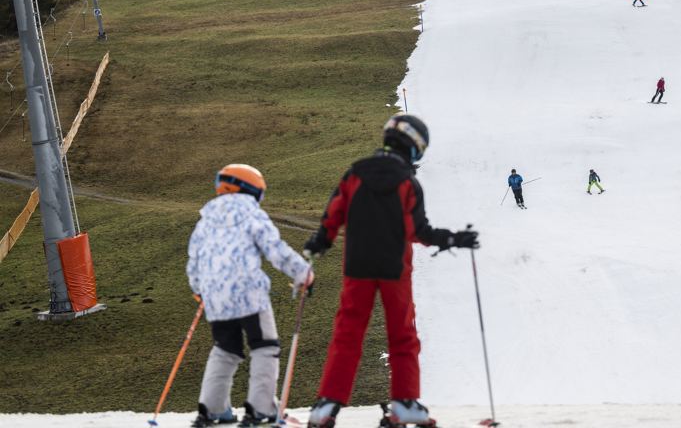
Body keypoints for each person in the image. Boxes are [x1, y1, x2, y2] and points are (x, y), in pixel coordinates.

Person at [304, 114, 479, 428]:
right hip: (394, 268)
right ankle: (405, 403)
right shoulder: (407, 183)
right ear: (414, 148)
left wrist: (320, 243)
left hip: (357, 266)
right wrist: (453, 239)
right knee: (402, 334)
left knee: (348, 333)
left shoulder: (354, 174)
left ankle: (326, 406)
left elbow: (333, 214)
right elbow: (419, 231)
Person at [187, 164, 314, 428]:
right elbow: (275, 249)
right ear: (251, 190)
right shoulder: (252, 215)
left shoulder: (205, 220)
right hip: (249, 295)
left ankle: (212, 410)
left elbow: (194, 260)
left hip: (215, 298)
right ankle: (261, 409)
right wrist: (303, 273)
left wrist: (199, 289)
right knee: (264, 346)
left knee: (225, 349)